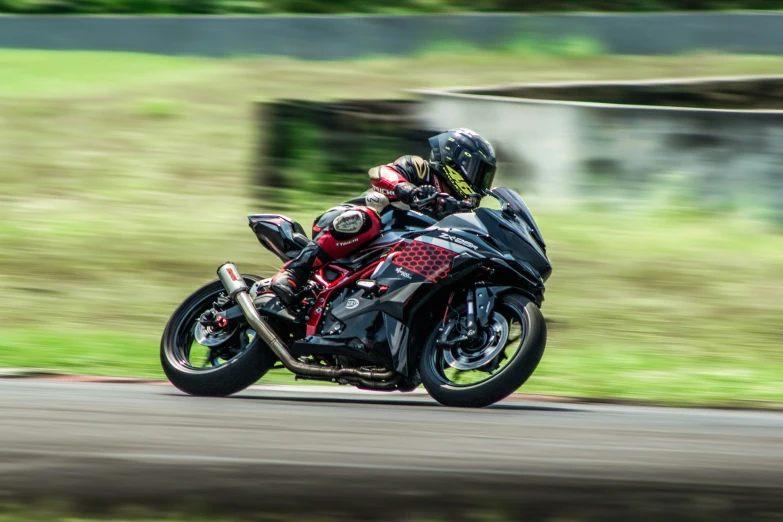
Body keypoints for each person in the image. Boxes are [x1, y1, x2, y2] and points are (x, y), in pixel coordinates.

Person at [270, 128, 498, 306]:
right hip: (348, 224)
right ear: (458, 160)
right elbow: (380, 173)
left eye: (485, 177)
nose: (481, 182)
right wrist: (411, 191)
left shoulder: (460, 208)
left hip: (394, 256)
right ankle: (295, 271)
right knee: (370, 217)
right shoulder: (420, 169)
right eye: (478, 171)